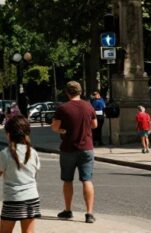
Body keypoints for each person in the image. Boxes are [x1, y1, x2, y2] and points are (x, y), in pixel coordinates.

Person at [51, 80, 97, 224]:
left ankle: (68, 210)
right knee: (87, 180)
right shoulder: (88, 106)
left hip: (68, 148)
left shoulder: (63, 108)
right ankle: (89, 213)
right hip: (87, 148)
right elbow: (94, 124)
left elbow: (55, 127)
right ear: (80, 92)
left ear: (67, 92)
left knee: (67, 180)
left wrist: (63, 130)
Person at [0, 115, 41, 233]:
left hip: (13, 199)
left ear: (9, 134)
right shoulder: (33, 152)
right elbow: (34, 174)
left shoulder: (5, 154)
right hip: (31, 198)